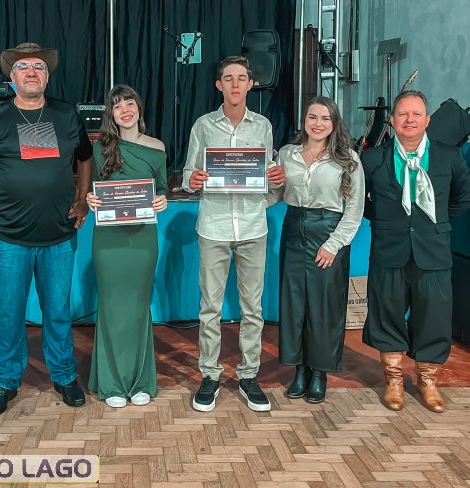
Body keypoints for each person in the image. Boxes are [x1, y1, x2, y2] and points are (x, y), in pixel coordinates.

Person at [0, 42, 93, 416]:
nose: (32, 72)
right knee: (8, 313)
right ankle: (5, 381)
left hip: (59, 236)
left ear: (47, 76)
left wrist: (83, 197)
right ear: (12, 77)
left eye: (39, 66)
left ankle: (64, 375)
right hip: (7, 238)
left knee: (58, 311)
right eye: (23, 67)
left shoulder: (66, 115)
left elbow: (85, 157)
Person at [182, 56, 285, 412]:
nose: (236, 84)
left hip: (253, 226)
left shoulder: (263, 126)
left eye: (242, 78)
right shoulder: (203, 125)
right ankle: (209, 375)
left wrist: (274, 181)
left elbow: (268, 173)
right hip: (213, 226)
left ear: (251, 84)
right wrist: (193, 180)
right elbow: (188, 173)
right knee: (209, 307)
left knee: (252, 308)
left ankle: (248, 375)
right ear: (219, 85)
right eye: (228, 78)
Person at [363, 90, 470, 413]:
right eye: (403, 114)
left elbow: (463, 196)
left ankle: (428, 381)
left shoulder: (449, 156)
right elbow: (360, 202)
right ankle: (394, 380)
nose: (409, 120)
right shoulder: (373, 158)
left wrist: (436, 223)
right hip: (388, 250)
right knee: (387, 314)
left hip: (433, 251)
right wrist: (386, 221)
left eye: (416, 114)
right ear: (392, 120)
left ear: (427, 120)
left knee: (434, 317)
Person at [274, 97, 364, 403]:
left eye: (325, 118)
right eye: (312, 117)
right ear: (304, 120)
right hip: (293, 230)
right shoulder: (287, 154)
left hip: (328, 232)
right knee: (294, 304)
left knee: (324, 308)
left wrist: (333, 245)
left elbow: (354, 210)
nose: (318, 124)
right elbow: (275, 194)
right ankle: (299, 370)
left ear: (334, 122)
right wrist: (245, 197)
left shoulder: (348, 159)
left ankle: (319, 373)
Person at [85, 85, 168, 408]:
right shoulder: (100, 148)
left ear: (139, 108)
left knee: (138, 307)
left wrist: (162, 199)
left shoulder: (156, 147)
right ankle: (112, 383)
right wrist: (90, 198)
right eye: (117, 106)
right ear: (112, 114)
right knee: (111, 306)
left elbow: (162, 188)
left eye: (129, 103)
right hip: (108, 240)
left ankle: (140, 381)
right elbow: (92, 188)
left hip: (143, 239)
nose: (125, 110)